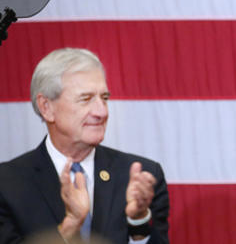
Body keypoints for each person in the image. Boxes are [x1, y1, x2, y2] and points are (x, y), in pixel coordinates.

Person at [0, 48, 169, 244]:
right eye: (86, 99)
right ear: (46, 107)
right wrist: (70, 225)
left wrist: (138, 221)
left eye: (104, 98)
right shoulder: (7, 185)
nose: (101, 112)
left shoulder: (143, 177)